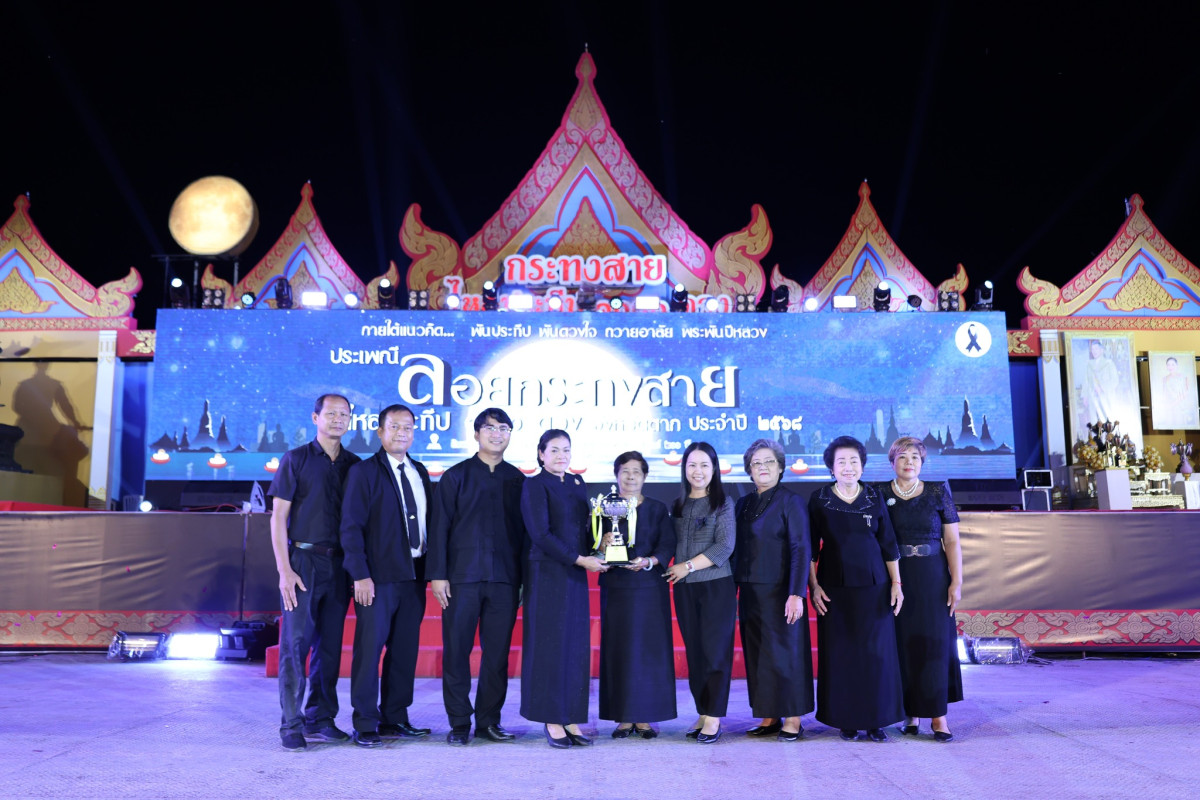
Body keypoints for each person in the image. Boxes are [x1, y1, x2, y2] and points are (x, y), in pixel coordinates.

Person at [427, 408, 526, 746]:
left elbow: (525, 536)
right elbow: (439, 528)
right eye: (490, 428)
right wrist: (438, 575)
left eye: (503, 428)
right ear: (476, 434)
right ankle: (458, 723)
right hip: (461, 579)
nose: (497, 434)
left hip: (504, 580)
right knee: (457, 652)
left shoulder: (518, 480)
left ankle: (488, 721)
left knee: (496, 655)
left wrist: (523, 580)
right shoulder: (455, 476)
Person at [268, 394, 360, 751]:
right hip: (302, 562)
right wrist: (284, 570)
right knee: (295, 645)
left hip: (339, 565)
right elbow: (278, 517)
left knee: (330, 647)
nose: (338, 419)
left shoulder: (355, 465)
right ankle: (291, 724)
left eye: (344, 414)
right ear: (315, 418)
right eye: (331, 413)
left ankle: (321, 718)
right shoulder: (296, 459)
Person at [340, 404, 434, 747]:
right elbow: (351, 527)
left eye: (407, 427)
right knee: (369, 651)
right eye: (394, 427)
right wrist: (360, 575)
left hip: (414, 575)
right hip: (377, 579)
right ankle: (365, 722)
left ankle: (395, 717)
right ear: (380, 432)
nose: (401, 433)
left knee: (404, 650)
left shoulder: (420, 471)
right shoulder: (364, 472)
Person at [808, 435, 904, 742]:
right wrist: (814, 586)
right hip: (834, 589)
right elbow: (810, 549)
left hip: (875, 587)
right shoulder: (819, 498)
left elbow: (888, 543)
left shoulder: (875, 496)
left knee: (877, 654)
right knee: (841, 654)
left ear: (862, 465)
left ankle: (877, 721)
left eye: (854, 461)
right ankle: (846, 720)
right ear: (831, 467)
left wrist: (896, 584)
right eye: (841, 462)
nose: (848, 467)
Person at [519, 429, 608, 748]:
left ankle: (571, 716)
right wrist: (581, 559)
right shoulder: (534, 485)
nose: (561, 456)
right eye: (554, 450)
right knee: (550, 647)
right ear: (541, 453)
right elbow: (540, 534)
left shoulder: (577, 483)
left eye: (566, 450)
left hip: (575, 573)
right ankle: (552, 719)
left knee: (574, 646)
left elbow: (583, 529)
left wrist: (601, 545)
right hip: (547, 574)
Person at [880, 436, 962, 742]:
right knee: (902, 645)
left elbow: (952, 540)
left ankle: (938, 716)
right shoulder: (879, 492)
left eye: (915, 457)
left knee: (935, 643)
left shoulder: (938, 491)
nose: (909, 462)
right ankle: (910, 713)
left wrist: (956, 580)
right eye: (902, 457)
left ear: (922, 462)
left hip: (932, 576)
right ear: (892, 462)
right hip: (894, 577)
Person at [733, 438, 813, 741]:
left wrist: (797, 593)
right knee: (759, 656)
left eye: (769, 461)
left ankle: (793, 717)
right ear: (749, 470)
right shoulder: (743, 503)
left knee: (786, 654)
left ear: (780, 467)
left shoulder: (792, 501)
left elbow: (801, 548)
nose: (762, 467)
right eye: (756, 463)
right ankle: (769, 715)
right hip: (749, 591)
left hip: (782, 592)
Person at [598, 451, 677, 738]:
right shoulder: (604, 507)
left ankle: (644, 717)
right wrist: (601, 544)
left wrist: (649, 561)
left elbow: (667, 545)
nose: (630, 477)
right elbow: (591, 543)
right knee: (619, 651)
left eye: (636, 472)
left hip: (649, 590)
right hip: (616, 588)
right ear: (616, 475)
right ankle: (622, 717)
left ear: (645, 476)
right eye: (625, 471)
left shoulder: (657, 508)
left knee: (648, 653)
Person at [665, 441, 735, 744]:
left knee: (715, 652)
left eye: (704, 465)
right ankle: (703, 711)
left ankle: (714, 716)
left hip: (716, 585)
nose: (698, 471)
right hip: (684, 589)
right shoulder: (678, 505)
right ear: (684, 469)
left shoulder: (723, 502)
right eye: (692, 464)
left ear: (714, 469)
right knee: (695, 653)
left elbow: (725, 546)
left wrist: (688, 566)